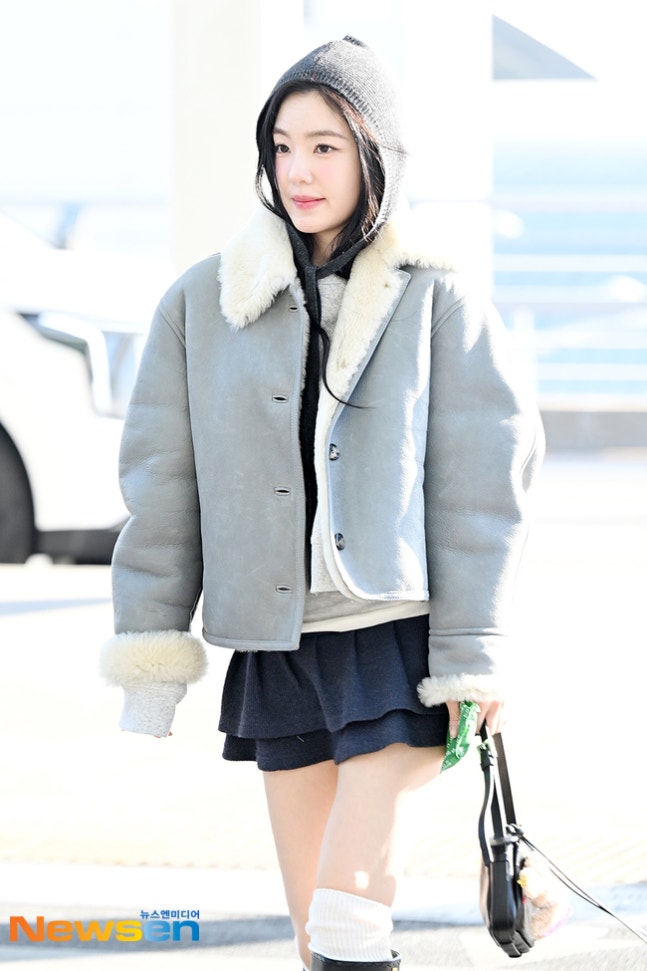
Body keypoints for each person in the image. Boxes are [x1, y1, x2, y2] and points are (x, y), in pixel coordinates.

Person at [101, 36, 544, 971]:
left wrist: (474, 655)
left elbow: (482, 490)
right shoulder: (203, 301)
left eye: (325, 146)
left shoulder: (437, 296)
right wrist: (151, 652)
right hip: (276, 648)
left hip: (398, 645)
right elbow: (162, 486)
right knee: (317, 941)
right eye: (282, 146)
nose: (297, 171)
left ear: (375, 155)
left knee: (346, 926)